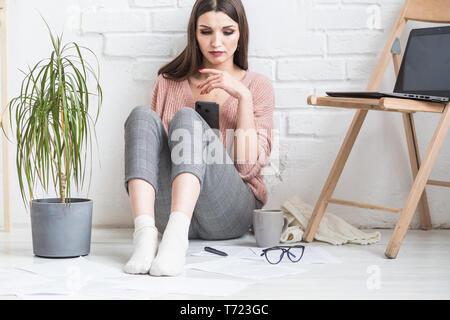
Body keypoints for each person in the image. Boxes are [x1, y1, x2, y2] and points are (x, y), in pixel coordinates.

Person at [123, 0, 274, 276]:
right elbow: (151, 157)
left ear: (241, 35)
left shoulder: (257, 86)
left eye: (227, 32)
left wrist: (242, 96)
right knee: (141, 116)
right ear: (194, 34)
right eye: (206, 32)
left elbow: (247, 167)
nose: (216, 42)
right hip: (168, 212)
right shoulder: (168, 81)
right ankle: (145, 235)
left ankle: (177, 240)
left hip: (229, 212)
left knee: (187, 118)